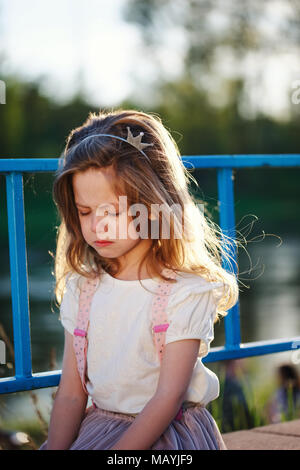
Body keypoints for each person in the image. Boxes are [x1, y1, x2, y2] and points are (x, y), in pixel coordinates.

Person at [39, 109, 239, 450]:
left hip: (167, 435)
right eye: (85, 212)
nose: (97, 225)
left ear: (153, 204)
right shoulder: (83, 288)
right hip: (100, 428)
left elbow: (167, 398)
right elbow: (72, 395)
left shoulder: (184, 293)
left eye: (113, 212)